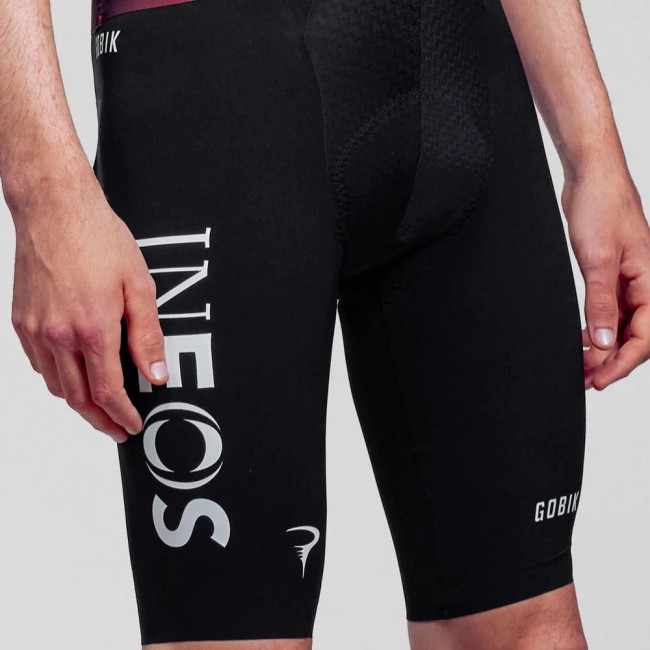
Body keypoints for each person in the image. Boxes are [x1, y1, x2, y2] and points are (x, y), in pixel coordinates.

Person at [1, 0, 649, 648]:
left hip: (457, 61)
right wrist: (43, 190)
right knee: (235, 633)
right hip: (213, 86)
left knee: (530, 625)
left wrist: (594, 152)